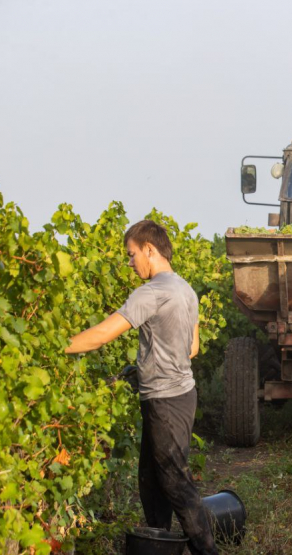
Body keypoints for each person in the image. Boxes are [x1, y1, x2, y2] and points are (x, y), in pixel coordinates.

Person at [65, 220, 218, 555]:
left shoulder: (151, 292)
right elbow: (191, 348)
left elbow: (103, 334)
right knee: (152, 479)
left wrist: (55, 346)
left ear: (150, 250)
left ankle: (207, 552)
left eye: (132, 254)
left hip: (165, 400)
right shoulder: (185, 289)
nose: (130, 262)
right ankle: (158, 543)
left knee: (175, 482)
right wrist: (149, 361)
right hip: (179, 395)